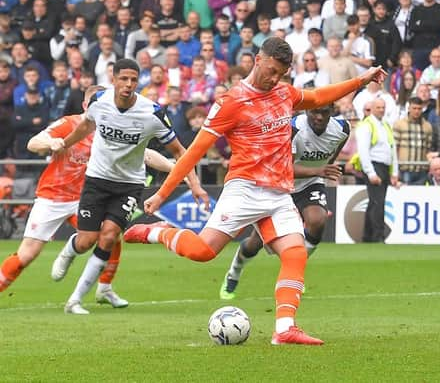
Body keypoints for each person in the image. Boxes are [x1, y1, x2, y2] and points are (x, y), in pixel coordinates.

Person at [122, 38, 386, 345]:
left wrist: (361, 80)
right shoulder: (230, 102)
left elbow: (317, 97)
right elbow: (193, 153)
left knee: (296, 252)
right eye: (272, 70)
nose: (274, 79)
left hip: (278, 194)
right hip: (244, 190)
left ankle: (285, 328)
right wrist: (162, 193)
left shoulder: (284, 93)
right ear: (257, 59)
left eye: (281, 74)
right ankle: (158, 233)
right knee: (202, 252)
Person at [48, 59, 208, 314]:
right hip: (97, 179)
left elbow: (180, 151)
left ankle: (75, 300)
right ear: (114, 79)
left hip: (128, 184)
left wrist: (195, 183)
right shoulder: (99, 101)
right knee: (86, 240)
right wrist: (63, 144)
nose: (129, 84)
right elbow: (86, 126)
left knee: (110, 236)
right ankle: (69, 252)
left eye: (134, 80)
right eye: (124, 79)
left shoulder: (152, 113)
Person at [0, 86, 174, 299]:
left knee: (110, 235)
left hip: (85, 197)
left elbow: (146, 155)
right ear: (86, 105)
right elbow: (32, 143)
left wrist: (175, 168)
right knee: (27, 254)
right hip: (52, 197)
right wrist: (50, 142)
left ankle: (104, 288)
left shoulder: (113, 129)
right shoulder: (69, 124)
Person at [219, 105, 349, 300]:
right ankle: (233, 274)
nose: (320, 117)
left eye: (325, 113)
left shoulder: (342, 129)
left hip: (310, 184)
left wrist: (321, 170)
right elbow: (282, 168)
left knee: (317, 220)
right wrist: (319, 170)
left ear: (332, 112)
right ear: (306, 111)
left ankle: (294, 274)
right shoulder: (293, 129)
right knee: (256, 243)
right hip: (278, 186)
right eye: (315, 112)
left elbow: (332, 154)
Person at [354, 97, 399, 242]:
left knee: (375, 202)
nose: (381, 110)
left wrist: (394, 172)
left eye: (383, 107)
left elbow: (392, 150)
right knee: (378, 202)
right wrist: (370, 172)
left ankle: (367, 236)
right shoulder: (366, 125)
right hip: (374, 165)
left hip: (384, 166)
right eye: (378, 107)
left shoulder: (385, 125)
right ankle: (378, 236)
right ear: (372, 109)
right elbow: (363, 151)